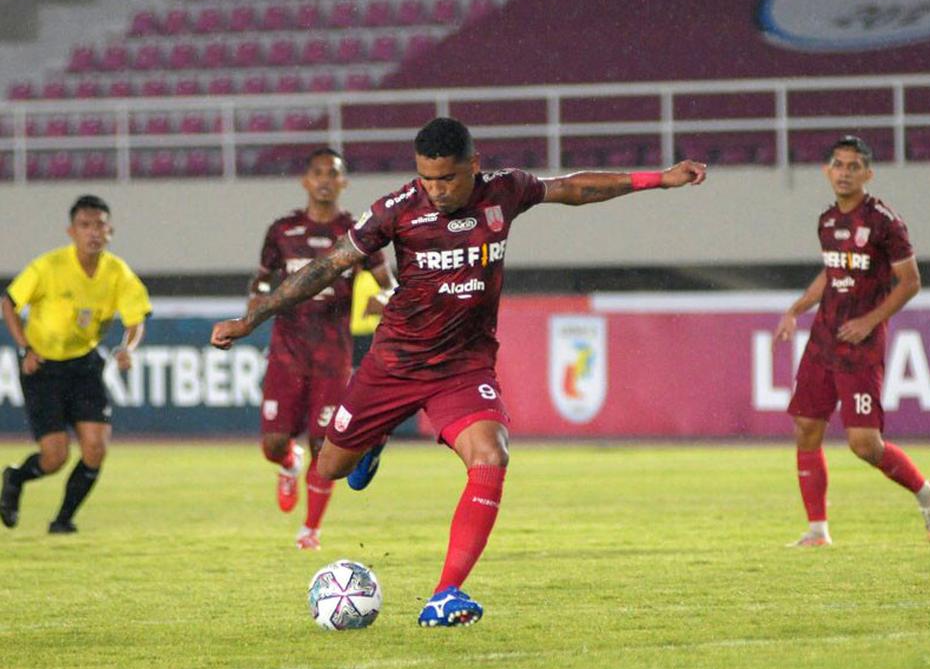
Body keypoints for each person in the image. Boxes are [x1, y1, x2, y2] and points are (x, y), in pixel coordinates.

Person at [211, 117, 707, 627]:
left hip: (463, 366)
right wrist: (253, 317)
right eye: (426, 178)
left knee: (491, 454)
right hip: (395, 363)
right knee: (330, 469)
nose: (436, 190)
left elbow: (573, 187)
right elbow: (328, 266)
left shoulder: (505, 190)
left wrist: (658, 179)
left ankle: (445, 594)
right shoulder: (396, 210)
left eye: (446, 178)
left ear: (473, 165)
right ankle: (372, 442)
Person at [776, 135, 930, 548]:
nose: (845, 172)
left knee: (864, 445)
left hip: (861, 345)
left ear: (868, 173)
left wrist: (870, 321)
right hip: (824, 338)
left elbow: (911, 282)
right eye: (838, 164)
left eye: (854, 166)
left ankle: (927, 493)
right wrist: (797, 308)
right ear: (827, 171)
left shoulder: (886, 223)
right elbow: (831, 273)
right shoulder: (827, 220)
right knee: (806, 428)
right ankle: (817, 530)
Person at [248, 148, 393, 550]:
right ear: (305, 180)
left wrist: (386, 299)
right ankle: (288, 464)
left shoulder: (357, 233)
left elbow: (388, 283)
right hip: (286, 352)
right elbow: (261, 281)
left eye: (334, 173)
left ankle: (310, 529)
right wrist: (253, 307)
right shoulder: (282, 231)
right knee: (274, 444)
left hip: (333, 356)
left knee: (324, 446)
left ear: (344, 182)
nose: (326, 179)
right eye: (318, 172)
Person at [1, 195, 150, 534]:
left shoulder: (117, 272)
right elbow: (9, 302)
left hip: (84, 364)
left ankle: (63, 520)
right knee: (54, 457)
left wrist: (128, 347)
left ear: (110, 230)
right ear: (71, 231)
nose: (93, 232)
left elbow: (136, 319)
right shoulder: (48, 267)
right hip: (43, 367)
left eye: (99, 225)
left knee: (96, 449)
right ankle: (15, 477)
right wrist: (25, 349)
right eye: (85, 225)